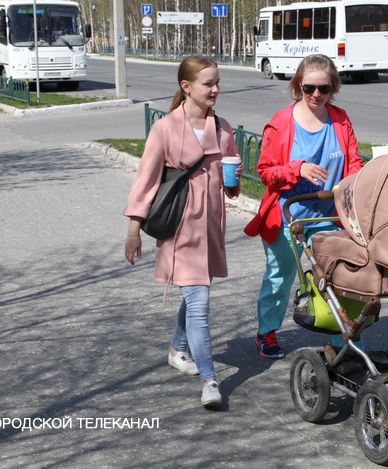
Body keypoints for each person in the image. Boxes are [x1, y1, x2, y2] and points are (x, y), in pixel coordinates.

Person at [123, 55, 242, 409]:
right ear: (186, 87)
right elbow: (145, 182)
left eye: (218, 82)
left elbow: (230, 179)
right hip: (180, 229)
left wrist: (232, 182)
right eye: (209, 84)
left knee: (194, 296)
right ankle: (210, 380)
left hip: (210, 228)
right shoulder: (165, 128)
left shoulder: (223, 128)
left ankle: (177, 349)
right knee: (200, 304)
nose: (216, 89)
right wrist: (133, 231)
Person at [244, 54, 364, 358]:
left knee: (339, 277)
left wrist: (349, 183)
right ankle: (267, 332)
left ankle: (341, 338)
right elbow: (265, 171)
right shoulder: (281, 123)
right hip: (289, 217)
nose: (316, 95)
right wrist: (297, 169)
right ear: (298, 84)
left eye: (323, 89)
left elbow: (353, 162)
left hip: (330, 218)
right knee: (279, 278)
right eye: (309, 87)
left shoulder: (340, 119)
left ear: (333, 87)